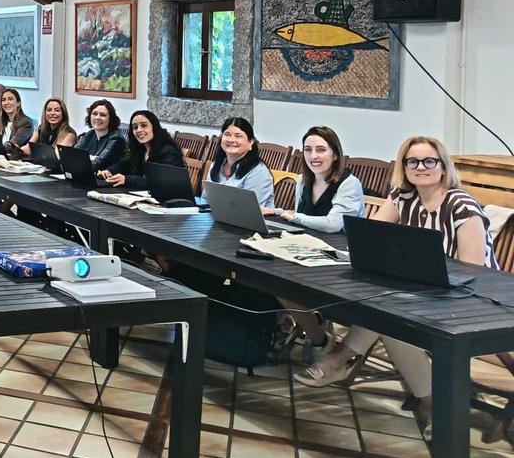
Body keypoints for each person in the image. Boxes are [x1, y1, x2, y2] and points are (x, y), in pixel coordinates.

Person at [294, 136, 498, 433]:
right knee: (390, 313)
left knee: (390, 314)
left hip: (472, 298)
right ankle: (431, 402)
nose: (420, 167)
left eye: (430, 161)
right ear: (404, 167)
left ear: (443, 167)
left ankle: (342, 356)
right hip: (420, 290)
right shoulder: (403, 197)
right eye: (412, 161)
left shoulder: (461, 205)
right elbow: (371, 237)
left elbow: (473, 271)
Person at [265, 127, 365, 357]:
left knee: (280, 285)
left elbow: (333, 224)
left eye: (321, 150)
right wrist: (280, 213)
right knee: (266, 275)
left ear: (335, 154)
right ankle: (310, 328)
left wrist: (289, 214)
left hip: (340, 260)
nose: (314, 156)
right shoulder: (303, 180)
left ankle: (318, 337)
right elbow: (301, 220)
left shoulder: (349, 183)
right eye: (308, 150)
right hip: (307, 251)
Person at [96, 110, 183, 188]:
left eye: (144, 126)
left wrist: (127, 180)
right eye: (135, 127)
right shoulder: (139, 149)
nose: (139, 130)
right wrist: (109, 171)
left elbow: (163, 182)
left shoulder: (169, 152)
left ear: (154, 127)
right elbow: (122, 164)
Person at [205, 117, 274, 207]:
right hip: (217, 217)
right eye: (227, 134)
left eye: (238, 136)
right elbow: (205, 201)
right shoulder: (216, 165)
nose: (231, 140)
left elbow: (249, 209)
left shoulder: (259, 172)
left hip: (248, 220)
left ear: (251, 142)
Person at [75, 99, 127, 171]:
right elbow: (71, 156)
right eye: (94, 114)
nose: (97, 117)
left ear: (110, 119)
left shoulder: (116, 138)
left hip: (106, 179)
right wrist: (91, 157)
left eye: (103, 115)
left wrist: (87, 158)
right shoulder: (89, 134)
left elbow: (97, 164)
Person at [0, 88, 33, 156]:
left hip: (18, 162)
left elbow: (12, 146)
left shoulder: (26, 122)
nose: (6, 103)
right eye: (3, 100)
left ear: (18, 103)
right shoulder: (2, 122)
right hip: (2, 159)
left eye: (10, 99)